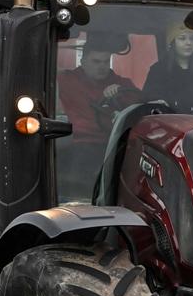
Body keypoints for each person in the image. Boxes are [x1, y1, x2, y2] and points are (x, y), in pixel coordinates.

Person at [56, 38, 142, 201]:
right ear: (83, 61)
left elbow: (140, 102)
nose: (102, 66)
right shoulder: (68, 80)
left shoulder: (120, 83)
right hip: (81, 144)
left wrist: (120, 93)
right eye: (96, 61)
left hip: (115, 144)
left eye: (105, 61)